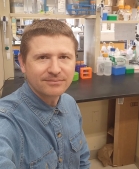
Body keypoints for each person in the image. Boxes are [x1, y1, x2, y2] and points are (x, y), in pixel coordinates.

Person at [0, 19, 90, 169]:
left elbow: (83, 160)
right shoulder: (8, 122)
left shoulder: (70, 104)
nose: (55, 69)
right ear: (22, 63)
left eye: (64, 57)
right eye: (43, 57)